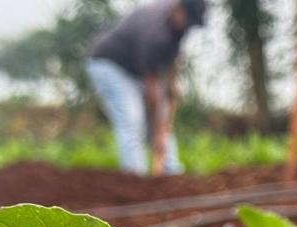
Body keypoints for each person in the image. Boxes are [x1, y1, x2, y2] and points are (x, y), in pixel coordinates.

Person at [85, 0, 206, 176]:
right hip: (109, 65)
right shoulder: (155, 30)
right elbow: (152, 91)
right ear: (179, 10)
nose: (187, 27)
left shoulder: (178, 26)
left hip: (137, 70)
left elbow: (174, 58)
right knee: (132, 119)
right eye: (188, 21)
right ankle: (136, 181)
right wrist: (157, 129)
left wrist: (173, 83)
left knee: (163, 120)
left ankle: (171, 175)